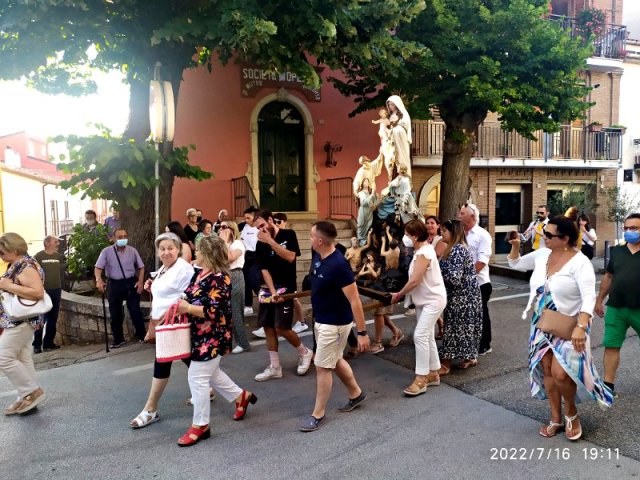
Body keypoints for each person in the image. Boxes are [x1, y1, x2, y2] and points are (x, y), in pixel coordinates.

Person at [507, 216, 613, 440]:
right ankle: (555, 417)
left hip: (569, 325)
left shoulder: (579, 262)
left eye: (548, 235)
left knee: (561, 373)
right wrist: (516, 247)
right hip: (541, 323)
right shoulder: (542, 254)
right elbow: (515, 263)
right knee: (546, 368)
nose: (543, 237)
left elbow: (587, 298)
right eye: (543, 232)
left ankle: (571, 413)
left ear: (565, 238)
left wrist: (581, 327)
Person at [175, 236, 257, 446]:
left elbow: (215, 310)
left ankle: (201, 425)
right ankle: (241, 397)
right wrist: (183, 300)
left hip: (212, 337)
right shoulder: (200, 273)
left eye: (200, 251)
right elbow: (189, 293)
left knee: (197, 377)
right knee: (212, 374)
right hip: (199, 335)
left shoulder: (221, 278)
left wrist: (188, 308)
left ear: (209, 255)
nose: (196, 254)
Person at [299, 221, 370, 432]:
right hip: (321, 320)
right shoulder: (318, 256)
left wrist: (362, 332)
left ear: (320, 241)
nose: (310, 239)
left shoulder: (339, 265)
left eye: (311, 236)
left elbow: (355, 300)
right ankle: (356, 393)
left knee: (322, 367)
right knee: (335, 359)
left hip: (336, 324)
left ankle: (317, 414)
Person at [129, 233, 195, 429]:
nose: (166, 252)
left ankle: (150, 409)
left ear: (178, 249)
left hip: (172, 323)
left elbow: (189, 293)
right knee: (190, 359)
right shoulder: (165, 269)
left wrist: (171, 312)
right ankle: (227, 393)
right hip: (162, 323)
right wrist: (152, 284)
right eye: (163, 249)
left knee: (162, 363)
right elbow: (166, 288)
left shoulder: (183, 268)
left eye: (170, 248)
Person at [252, 210, 313, 381]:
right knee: (268, 327)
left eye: (262, 225)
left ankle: (305, 352)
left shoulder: (289, 234)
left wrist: (270, 241)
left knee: (282, 327)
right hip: (269, 289)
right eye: (257, 228)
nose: (261, 230)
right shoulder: (259, 243)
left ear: (270, 220)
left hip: (287, 287)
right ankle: (275, 367)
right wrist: (271, 291)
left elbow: (291, 257)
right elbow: (264, 269)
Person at [391, 220, 447, 396]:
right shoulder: (421, 251)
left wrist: (398, 295)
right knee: (427, 335)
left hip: (433, 301)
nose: (405, 238)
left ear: (415, 236)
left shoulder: (424, 252)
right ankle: (433, 373)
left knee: (420, 335)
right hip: (425, 300)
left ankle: (421, 378)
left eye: (407, 235)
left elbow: (415, 280)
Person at [0, 232, 47, 415]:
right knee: (22, 357)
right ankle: (26, 398)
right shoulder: (19, 263)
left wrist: (7, 285)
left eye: (2, 252)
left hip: (22, 320)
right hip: (20, 320)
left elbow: (38, 292)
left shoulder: (26, 266)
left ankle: (31, 391)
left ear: (14, 249)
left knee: (3, 356)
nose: (1, 256)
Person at [595, 213, 640, 398]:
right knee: (611, 346)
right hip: (616, 308)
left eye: (634, 228)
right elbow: (608, 277)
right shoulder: (618, 251)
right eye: (627, 228)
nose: (629, 231)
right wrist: (599, 300)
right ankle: (608, 387)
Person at [437, 220, 482, 374]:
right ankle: (470, 357)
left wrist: (438, 272)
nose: (441, 233)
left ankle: (445, 364)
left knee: (453, 328)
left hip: (462, 298)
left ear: (453, 233)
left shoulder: (456, 250)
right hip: (467, 296)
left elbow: (454, 278)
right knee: (466, 328)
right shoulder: (458, 248)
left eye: (444, 231)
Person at [94, 228, 146, 347]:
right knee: (115, 313)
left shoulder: (132, 251)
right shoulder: (106, 252)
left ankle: (142, 335)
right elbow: (98, 268)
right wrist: (99, 279)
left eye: (125, 236)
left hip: (130, 282)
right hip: (114, 284)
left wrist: (140, 281)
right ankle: (118, 339)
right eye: (120, 237)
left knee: (135, 310)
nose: (123, 239)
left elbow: (141, 267)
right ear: (113, 238)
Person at [459, 203, 493, 355]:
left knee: (481, 313)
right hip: (462, 281)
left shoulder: (482, 235)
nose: (459, 216)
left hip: (480, 283)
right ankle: (468, 342)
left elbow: (481, 262)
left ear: (472, 216)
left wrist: (466, 276)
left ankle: (485, 344)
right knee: (466, 314)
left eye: (462, 213)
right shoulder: (460, 234)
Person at [218, 220, 251, 354]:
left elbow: (230, 257)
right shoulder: (225, 244)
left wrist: (224, 241)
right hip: (223, 276)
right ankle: (228, 341)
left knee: (235, 310)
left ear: (232, 229)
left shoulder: (238, 243)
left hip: (235, 275)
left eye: (225, 227)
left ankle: (243, 343)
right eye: (220, 227)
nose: (221, 229)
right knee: (226, 311)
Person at [273, 213, 308, 334]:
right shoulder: (273, 236)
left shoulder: (289, 234)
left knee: (294, 298)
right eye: (274, 222)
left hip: (289, 273)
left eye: (279, 222)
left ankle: (302, 322)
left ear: (285, 222)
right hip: (278, 274)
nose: (276, 224)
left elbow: (294, 255)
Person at [33, 236, 65, 353]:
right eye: (55, 242)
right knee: (40, 318)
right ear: (47, 243)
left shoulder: (59, 257)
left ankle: (48, 343)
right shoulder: (38, 257)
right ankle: (37, 345)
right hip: (43, 291)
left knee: (53, 318)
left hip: (56, 290)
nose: (57, 244)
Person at [386, 95, 412, 179]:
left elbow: (405, 125)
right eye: (389, 105)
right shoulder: (390, 115)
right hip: (392, 139)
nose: (391, 107)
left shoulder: (404, 114)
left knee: (402, 157)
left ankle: (404, 174)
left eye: (392, 104)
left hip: (401, 138)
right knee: (391, 158)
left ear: (397, 104)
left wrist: (396, 126)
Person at [240, 206, 260, 316]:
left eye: (248, 218)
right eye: (245, 218)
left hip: (255, 257)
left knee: (255, 282)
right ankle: (248, 306)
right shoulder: (242, 226)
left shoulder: (259, 229)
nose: (246, 220)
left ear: (255, 217)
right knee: (246, 282)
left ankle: (265, 302)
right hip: (244, 256)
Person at [356, 178, 377, 246]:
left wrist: (374, 204)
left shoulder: (371, 193)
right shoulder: (361, 193)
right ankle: (360, 243)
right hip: (363, 212)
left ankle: (366, 243)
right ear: (362, 183)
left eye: (367, 181)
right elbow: (364, 202)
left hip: (369, 212)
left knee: (368, 226)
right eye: (365, 181)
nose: (366, 182)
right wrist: (372, 195)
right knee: (361, 226)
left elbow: (375, 202)